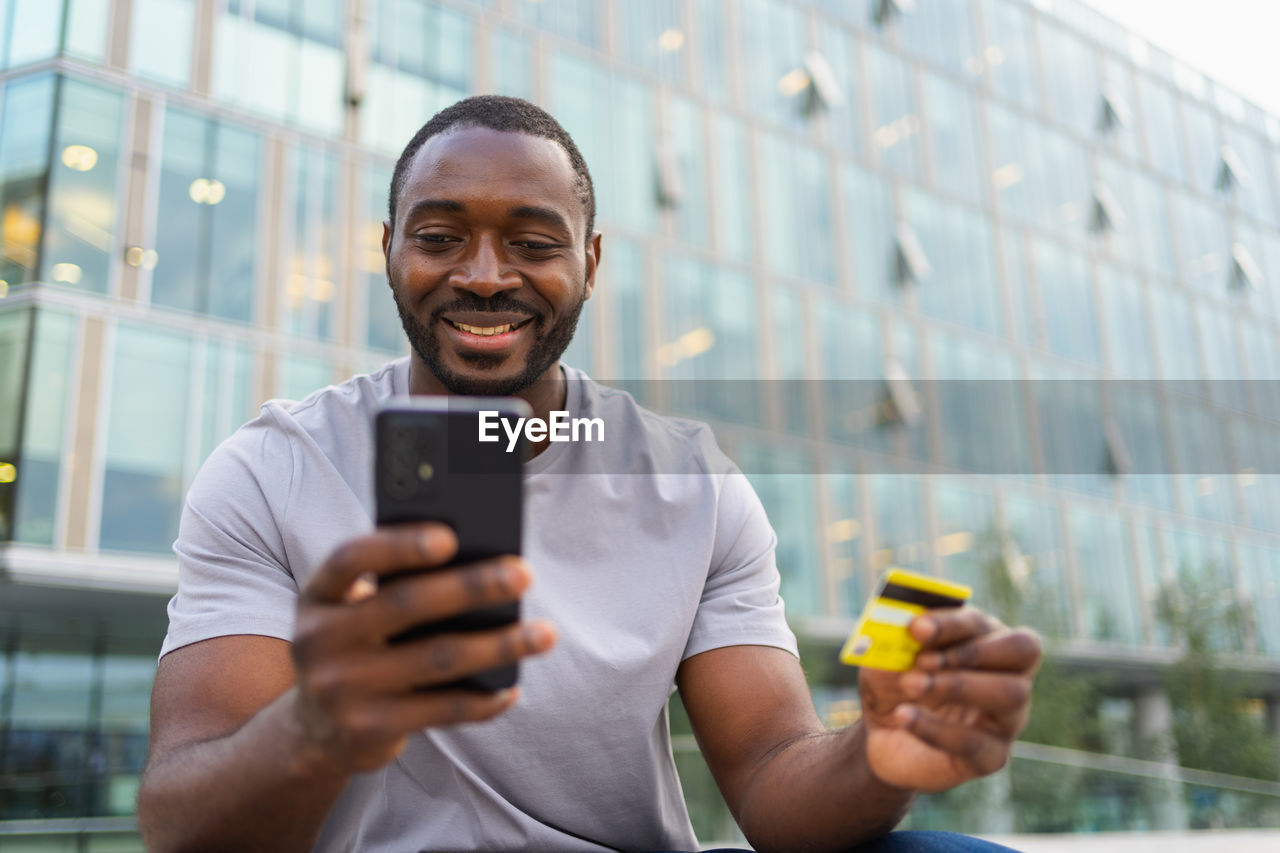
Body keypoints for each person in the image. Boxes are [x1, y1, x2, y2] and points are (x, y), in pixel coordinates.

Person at [137, 96, 1041, 853]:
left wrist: (876, 753)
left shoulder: (694, 481)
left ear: (590, 261)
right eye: (441, 236)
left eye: (534, 243)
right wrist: (317, 724)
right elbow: (180, 823)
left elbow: (771, 775)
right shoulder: (272, 469)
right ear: (389, 251)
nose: (485, 278)